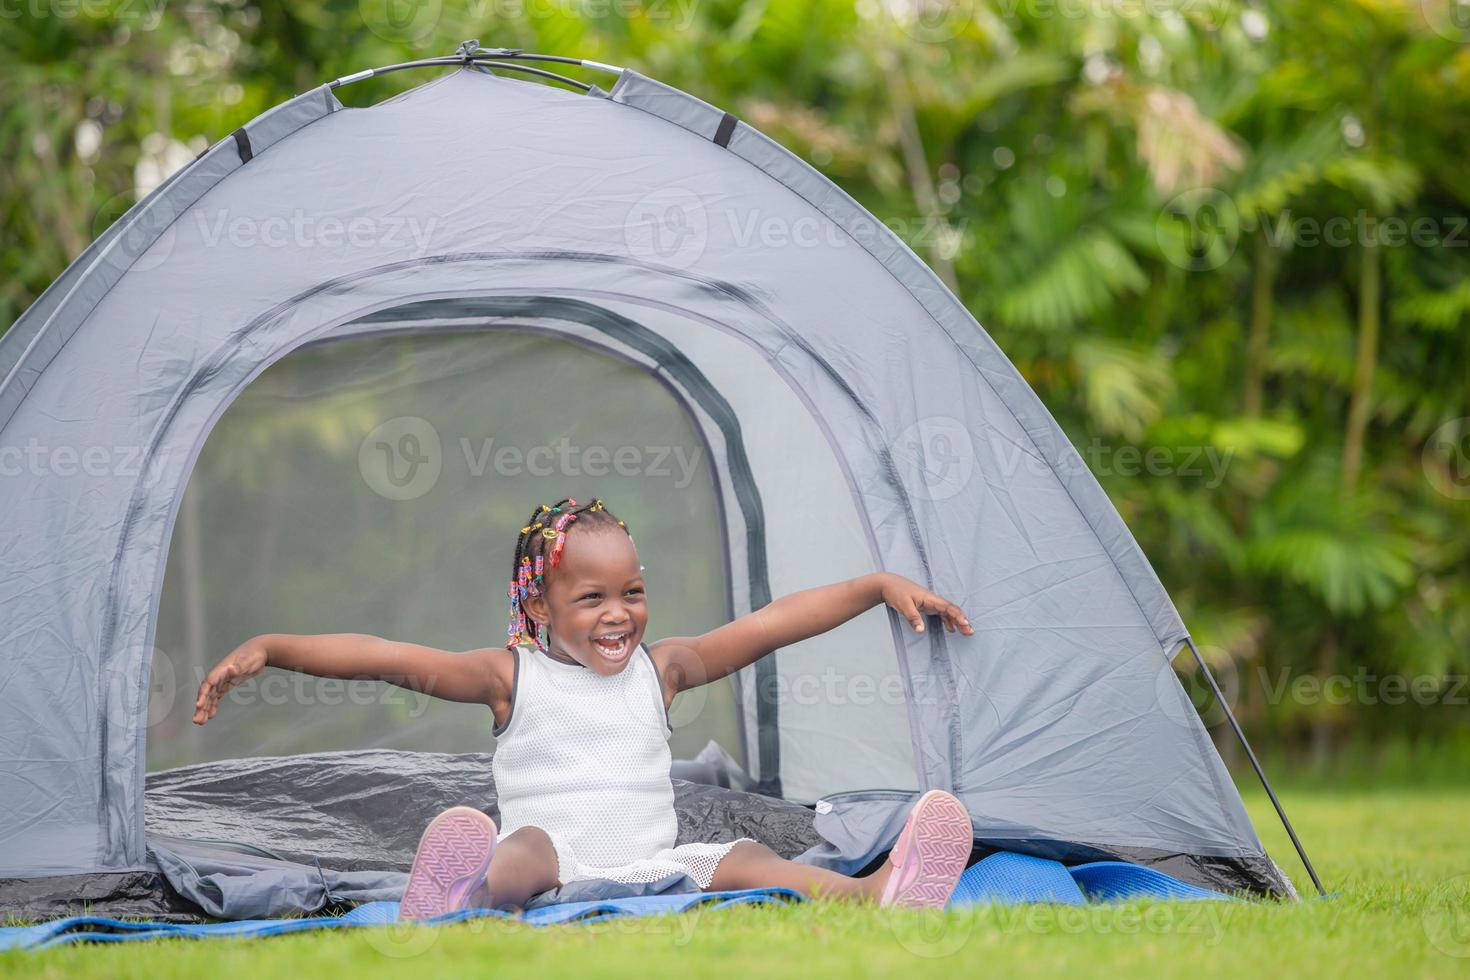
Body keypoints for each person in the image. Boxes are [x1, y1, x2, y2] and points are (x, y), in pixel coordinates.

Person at [192, 496, 977, 920]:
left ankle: (873, 896)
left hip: (655, 862)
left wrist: (875, 587)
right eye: (592, 597)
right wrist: (274, 646)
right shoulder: (512, 677)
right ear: (539, 605)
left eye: (632, 593)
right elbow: (391, 659)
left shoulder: (661, 670)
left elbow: (770, 625)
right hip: (559, 861)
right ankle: (458, 898)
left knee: (747, 857)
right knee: (522, 847)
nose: (618, 614)